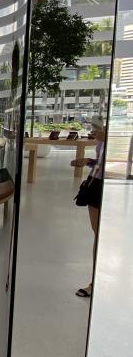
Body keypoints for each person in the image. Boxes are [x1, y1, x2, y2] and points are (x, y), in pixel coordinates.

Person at [73, 115, 106, 299]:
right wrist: (88, 161)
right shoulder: (101, 138)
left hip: (112, 186)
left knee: (104, 234)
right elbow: (100, 162)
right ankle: (95, 281)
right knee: (97, 233)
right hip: (96, 184)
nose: (94, 131)